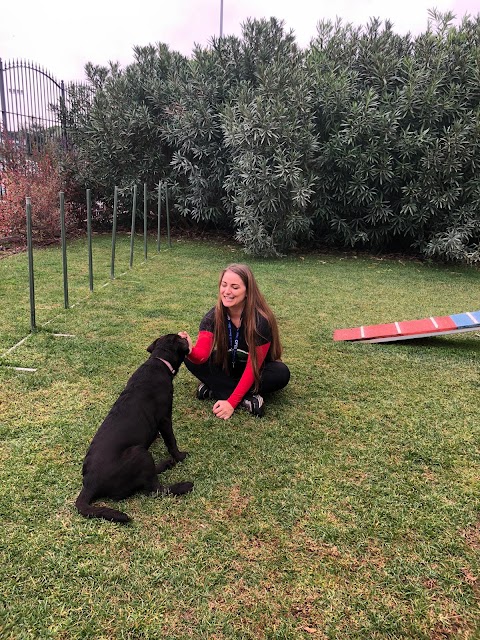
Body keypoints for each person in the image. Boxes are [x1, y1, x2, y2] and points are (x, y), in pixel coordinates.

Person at [180, 263, 290, 419]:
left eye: (235, 287)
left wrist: (231, 403)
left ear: (247, 291)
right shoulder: (212, 317)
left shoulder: (261, 321)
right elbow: (201, 356)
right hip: (228, 363)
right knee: (186, 357)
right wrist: (190, 350)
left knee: (281, 373)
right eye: (224, 285)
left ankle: (215, 389)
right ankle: (248, 399)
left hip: (258, 369)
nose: (227, 292)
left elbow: (254, 366)